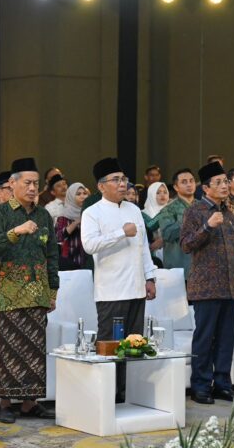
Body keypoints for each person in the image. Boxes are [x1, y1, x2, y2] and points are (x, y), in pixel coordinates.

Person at [0, 157, 59, 424]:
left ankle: (30, 403)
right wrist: (17, 231)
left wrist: (53, 290)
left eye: (36, 183)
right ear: (12, 184)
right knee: (9, 350)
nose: (32, 188)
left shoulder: (43, 215)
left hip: (38, 293)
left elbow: (52, 254)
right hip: (9, 294)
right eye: (27, 183)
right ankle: (5, 404)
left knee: (35, 350)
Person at [81, 157, 157, 402]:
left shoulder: (134, 210)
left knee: (134, 344)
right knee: (110, 344)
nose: (123, 184)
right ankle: (105, 395)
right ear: (101, 186)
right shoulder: (92, 212)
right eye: (116, 180)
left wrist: (150, 277)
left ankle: (128, 394)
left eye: (124, 179)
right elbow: (89, 245)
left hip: (136, 287)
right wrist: (120, 233)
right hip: (111, 291)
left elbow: (143, 247)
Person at [181, 161, 234, 405]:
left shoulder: (229, 213)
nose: (224, 186)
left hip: (229, 287)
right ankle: (200, 386)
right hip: (206, 288)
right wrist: (207, 227)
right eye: (218, 183)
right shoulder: (195, 211)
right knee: (205, 339)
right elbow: (186, 244)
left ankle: (223, 385)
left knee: (226, 339)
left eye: (226, 181)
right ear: (205, 188)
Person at [158, 168, 195, 277]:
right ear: (176, 187)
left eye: (191, 181)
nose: (189, 184)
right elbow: (167, 234)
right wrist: (187, 221)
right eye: (184, 182)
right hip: (179, 267)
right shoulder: (168, 209)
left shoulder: (203, 207)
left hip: (202, 268)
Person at [55, 182, 89, 270]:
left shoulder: (90, 213)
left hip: (88, 260)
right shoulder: (64, 216)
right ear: (71, 197)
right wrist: (76, 222)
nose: (83, 196)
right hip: (70, 261)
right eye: (78, 194)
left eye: (84, 193)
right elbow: (58, 237)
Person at [142, 181, 169, 266]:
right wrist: (164, 212)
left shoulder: (172, 211)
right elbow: (149, 226)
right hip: (152, 253)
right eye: (158, 193)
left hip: (170, 251)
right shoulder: (142, 214)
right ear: (151, 194)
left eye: (165, 192)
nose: (162, 195)